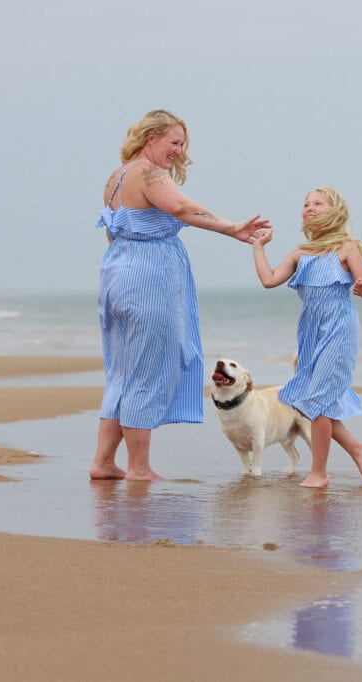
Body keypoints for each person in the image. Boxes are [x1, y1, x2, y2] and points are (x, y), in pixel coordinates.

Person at [90, 109, 271, 482]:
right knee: (145, 373)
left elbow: (115, 232)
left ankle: (104, 462)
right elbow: (181, 208)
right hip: (147, 283)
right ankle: (139, 468)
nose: (178, 150)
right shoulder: (148, 173)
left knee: (122, 375)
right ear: (151, 137)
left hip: (117, 276)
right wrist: (232, 228)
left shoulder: (116, 176)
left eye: (182, 144)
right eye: (174, 142)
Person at [251, 187, 362, 488]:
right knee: (308, 401)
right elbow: (269, 280)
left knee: (318, 402)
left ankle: (319, 473)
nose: (309, 207)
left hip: (339, 328)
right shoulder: (300, 254)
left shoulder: (346, 248)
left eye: (317, 203)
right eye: (305, 203)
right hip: (310, 330)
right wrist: (258, 247)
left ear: (335, 211)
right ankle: (358, 450)